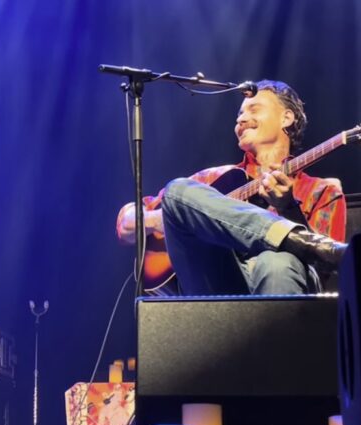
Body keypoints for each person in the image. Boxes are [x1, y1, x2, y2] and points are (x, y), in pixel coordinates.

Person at [117, 80, 347, 296]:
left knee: (276, 262)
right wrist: (170, 218)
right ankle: (290, 236)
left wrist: (288, 209)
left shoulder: (321, 189)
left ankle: (291, 243)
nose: (241, 119)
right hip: (221, 283)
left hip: (286, 278)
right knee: (178, 190)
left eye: (254, 109)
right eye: (239, 114)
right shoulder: (215, 178)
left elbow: (327, 269)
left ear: (287, 118)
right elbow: (127, 223)